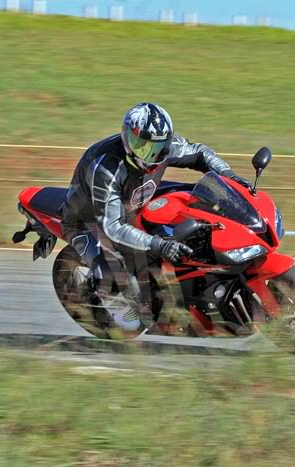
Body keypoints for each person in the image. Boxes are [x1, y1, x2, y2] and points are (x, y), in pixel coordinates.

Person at [60, 102, 253, 331]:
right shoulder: (106, 169)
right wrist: (159, 245)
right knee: (111, 271)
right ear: (127, 138)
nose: (151, 154)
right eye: (142, 146)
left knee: (196, 199)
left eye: (158, 147)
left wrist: (230, 176)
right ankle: (109, 298)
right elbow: (113, 226)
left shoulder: (163, 146)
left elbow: (200, 152)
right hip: (89, 218)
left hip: (137, 197)